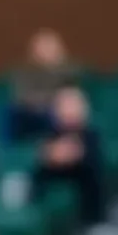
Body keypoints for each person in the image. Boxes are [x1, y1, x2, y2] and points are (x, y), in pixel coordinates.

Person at [33, 86, 107, 226]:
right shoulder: (50, 130)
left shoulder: (90, 132)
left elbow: (83, 153)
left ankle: (95, 221)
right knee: (38, 172)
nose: (69, 110)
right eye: (64, 106)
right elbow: (45, 152)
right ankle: (36, 215)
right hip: (54, 169)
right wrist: (56, 154)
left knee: (93, 171)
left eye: (73, 106)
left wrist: (70, 154)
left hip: (81, 170)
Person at [5, 29, 81, 141]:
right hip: (31, 116)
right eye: (43, 47)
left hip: (62, 114)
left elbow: (73, 92)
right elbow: (23, 98)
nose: (48, 51)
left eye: (51, 47)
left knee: (70, 103)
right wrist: (52, 100)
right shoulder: (23, 73)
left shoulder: (70, 70)